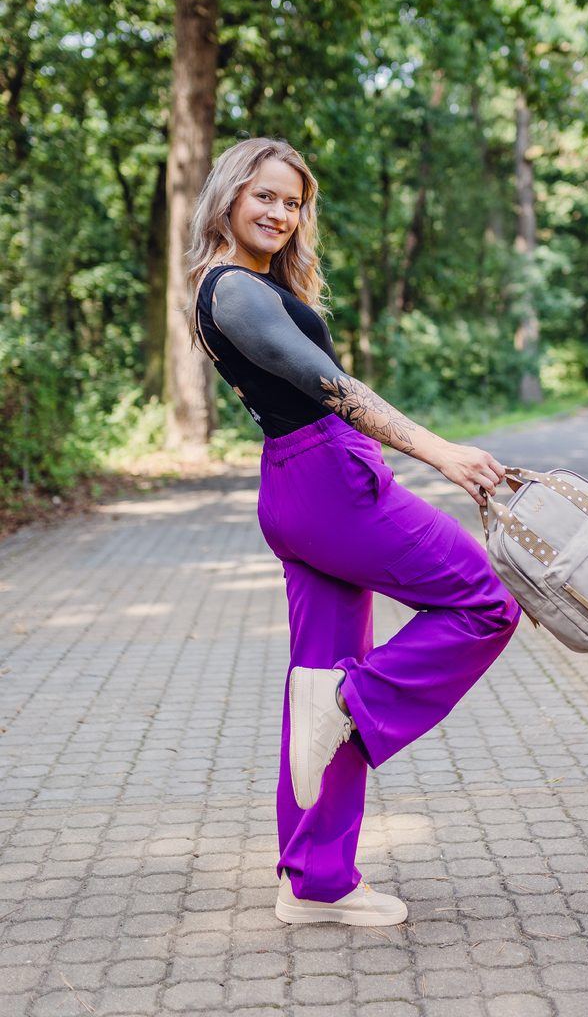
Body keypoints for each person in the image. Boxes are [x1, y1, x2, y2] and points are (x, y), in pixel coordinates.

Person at [187, 136, 521, 927]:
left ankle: (316, 884)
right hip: (329, 483)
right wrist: (440, 451)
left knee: (316, 683)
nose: (279, 212)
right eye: (264, 195)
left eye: (293, 202)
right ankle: (351, 698)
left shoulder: (250, 285)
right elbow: (331, 387)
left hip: (300, 484)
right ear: (229, 196)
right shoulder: (230, 288)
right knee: (485, 603)